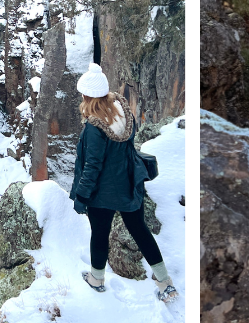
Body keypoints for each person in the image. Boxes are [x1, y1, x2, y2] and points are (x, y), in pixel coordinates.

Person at [70, 61, 177, 302]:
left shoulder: (93, 129)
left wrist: (82, 195)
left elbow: (92, 166)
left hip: (102, 192)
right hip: (129, 183)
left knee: (99, 233)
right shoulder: (123, 111)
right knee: (140, 231)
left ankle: (97, 279)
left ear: (87, 95)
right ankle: (164, 282)